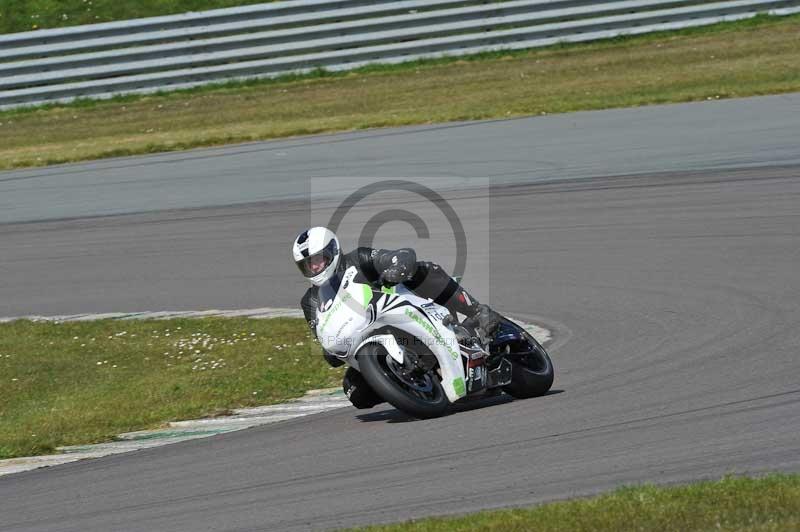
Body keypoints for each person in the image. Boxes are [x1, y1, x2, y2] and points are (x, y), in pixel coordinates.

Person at [292, 226, 502, 408]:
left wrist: (396, 268)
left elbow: (401, 255)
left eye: (318, 260)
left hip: (403, 308)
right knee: (354, 391)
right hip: (364, 338)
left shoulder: (358, 258)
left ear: (333, 250)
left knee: (423, 270)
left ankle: (477, 311)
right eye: (308, 264)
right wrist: (328, 349)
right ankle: (412, 389)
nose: (315, 267)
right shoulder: (309, 301)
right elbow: (320, 332)